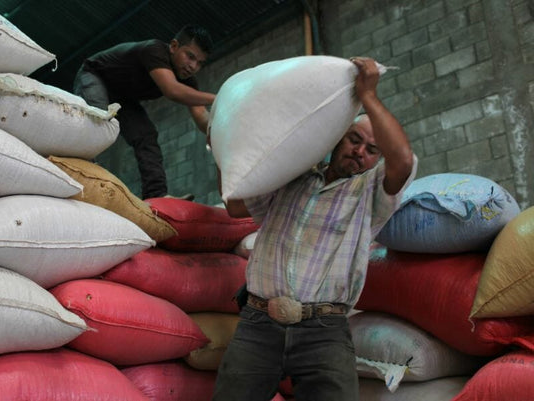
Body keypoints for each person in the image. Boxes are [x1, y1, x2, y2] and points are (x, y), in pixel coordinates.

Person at [211, 57, 418, 401]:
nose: (359, 152)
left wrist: (367, 95)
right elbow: (235, 205)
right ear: (337, 137)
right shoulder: (291, 177)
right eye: (354, 139)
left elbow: (403, 161)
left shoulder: (370, 193)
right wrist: (223, 141)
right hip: (259, 323)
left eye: (371, 149)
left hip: (324, 330)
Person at [73, 24, 215, 200]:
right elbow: (172, 90)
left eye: (199, 63)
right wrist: (219, 97)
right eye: (190, 56)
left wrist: (216, 131)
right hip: (96, 75)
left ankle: (156, 195)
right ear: (174, 46)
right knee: (100, 119)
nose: (193, 66)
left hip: (122, 96)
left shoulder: (188, 81)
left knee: (146, 136)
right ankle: (86, 176)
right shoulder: (154, 50)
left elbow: (201, 115)